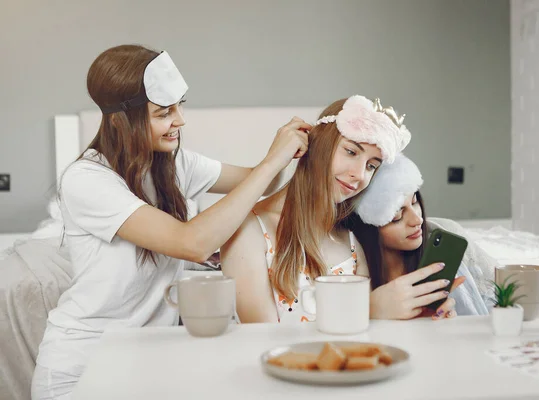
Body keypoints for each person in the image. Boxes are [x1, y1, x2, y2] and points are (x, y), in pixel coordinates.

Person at [31, 44, 310, 399]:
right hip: (84, 365)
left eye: (180, 106)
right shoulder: (87, 179)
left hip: (145, 359)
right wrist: (272, 162)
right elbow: (192, 243)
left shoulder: (174, 164)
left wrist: (291, 152)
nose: (180, 120)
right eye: (164, 113)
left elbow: (259, 182)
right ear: (119, 121)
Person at [221, 95, 414, 323]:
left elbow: (363, 340)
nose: (360, 175)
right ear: (319, 143)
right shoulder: (248, 230)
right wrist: (368, 311)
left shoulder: (351, 240)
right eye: (351, 152)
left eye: (371, 166)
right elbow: (262, 340)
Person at [352, 153, 493, 320]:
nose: (417, 219)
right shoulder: (352, 278)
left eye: (414, 201)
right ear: (367, 228)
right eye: (397, 216)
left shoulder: (445, 241)